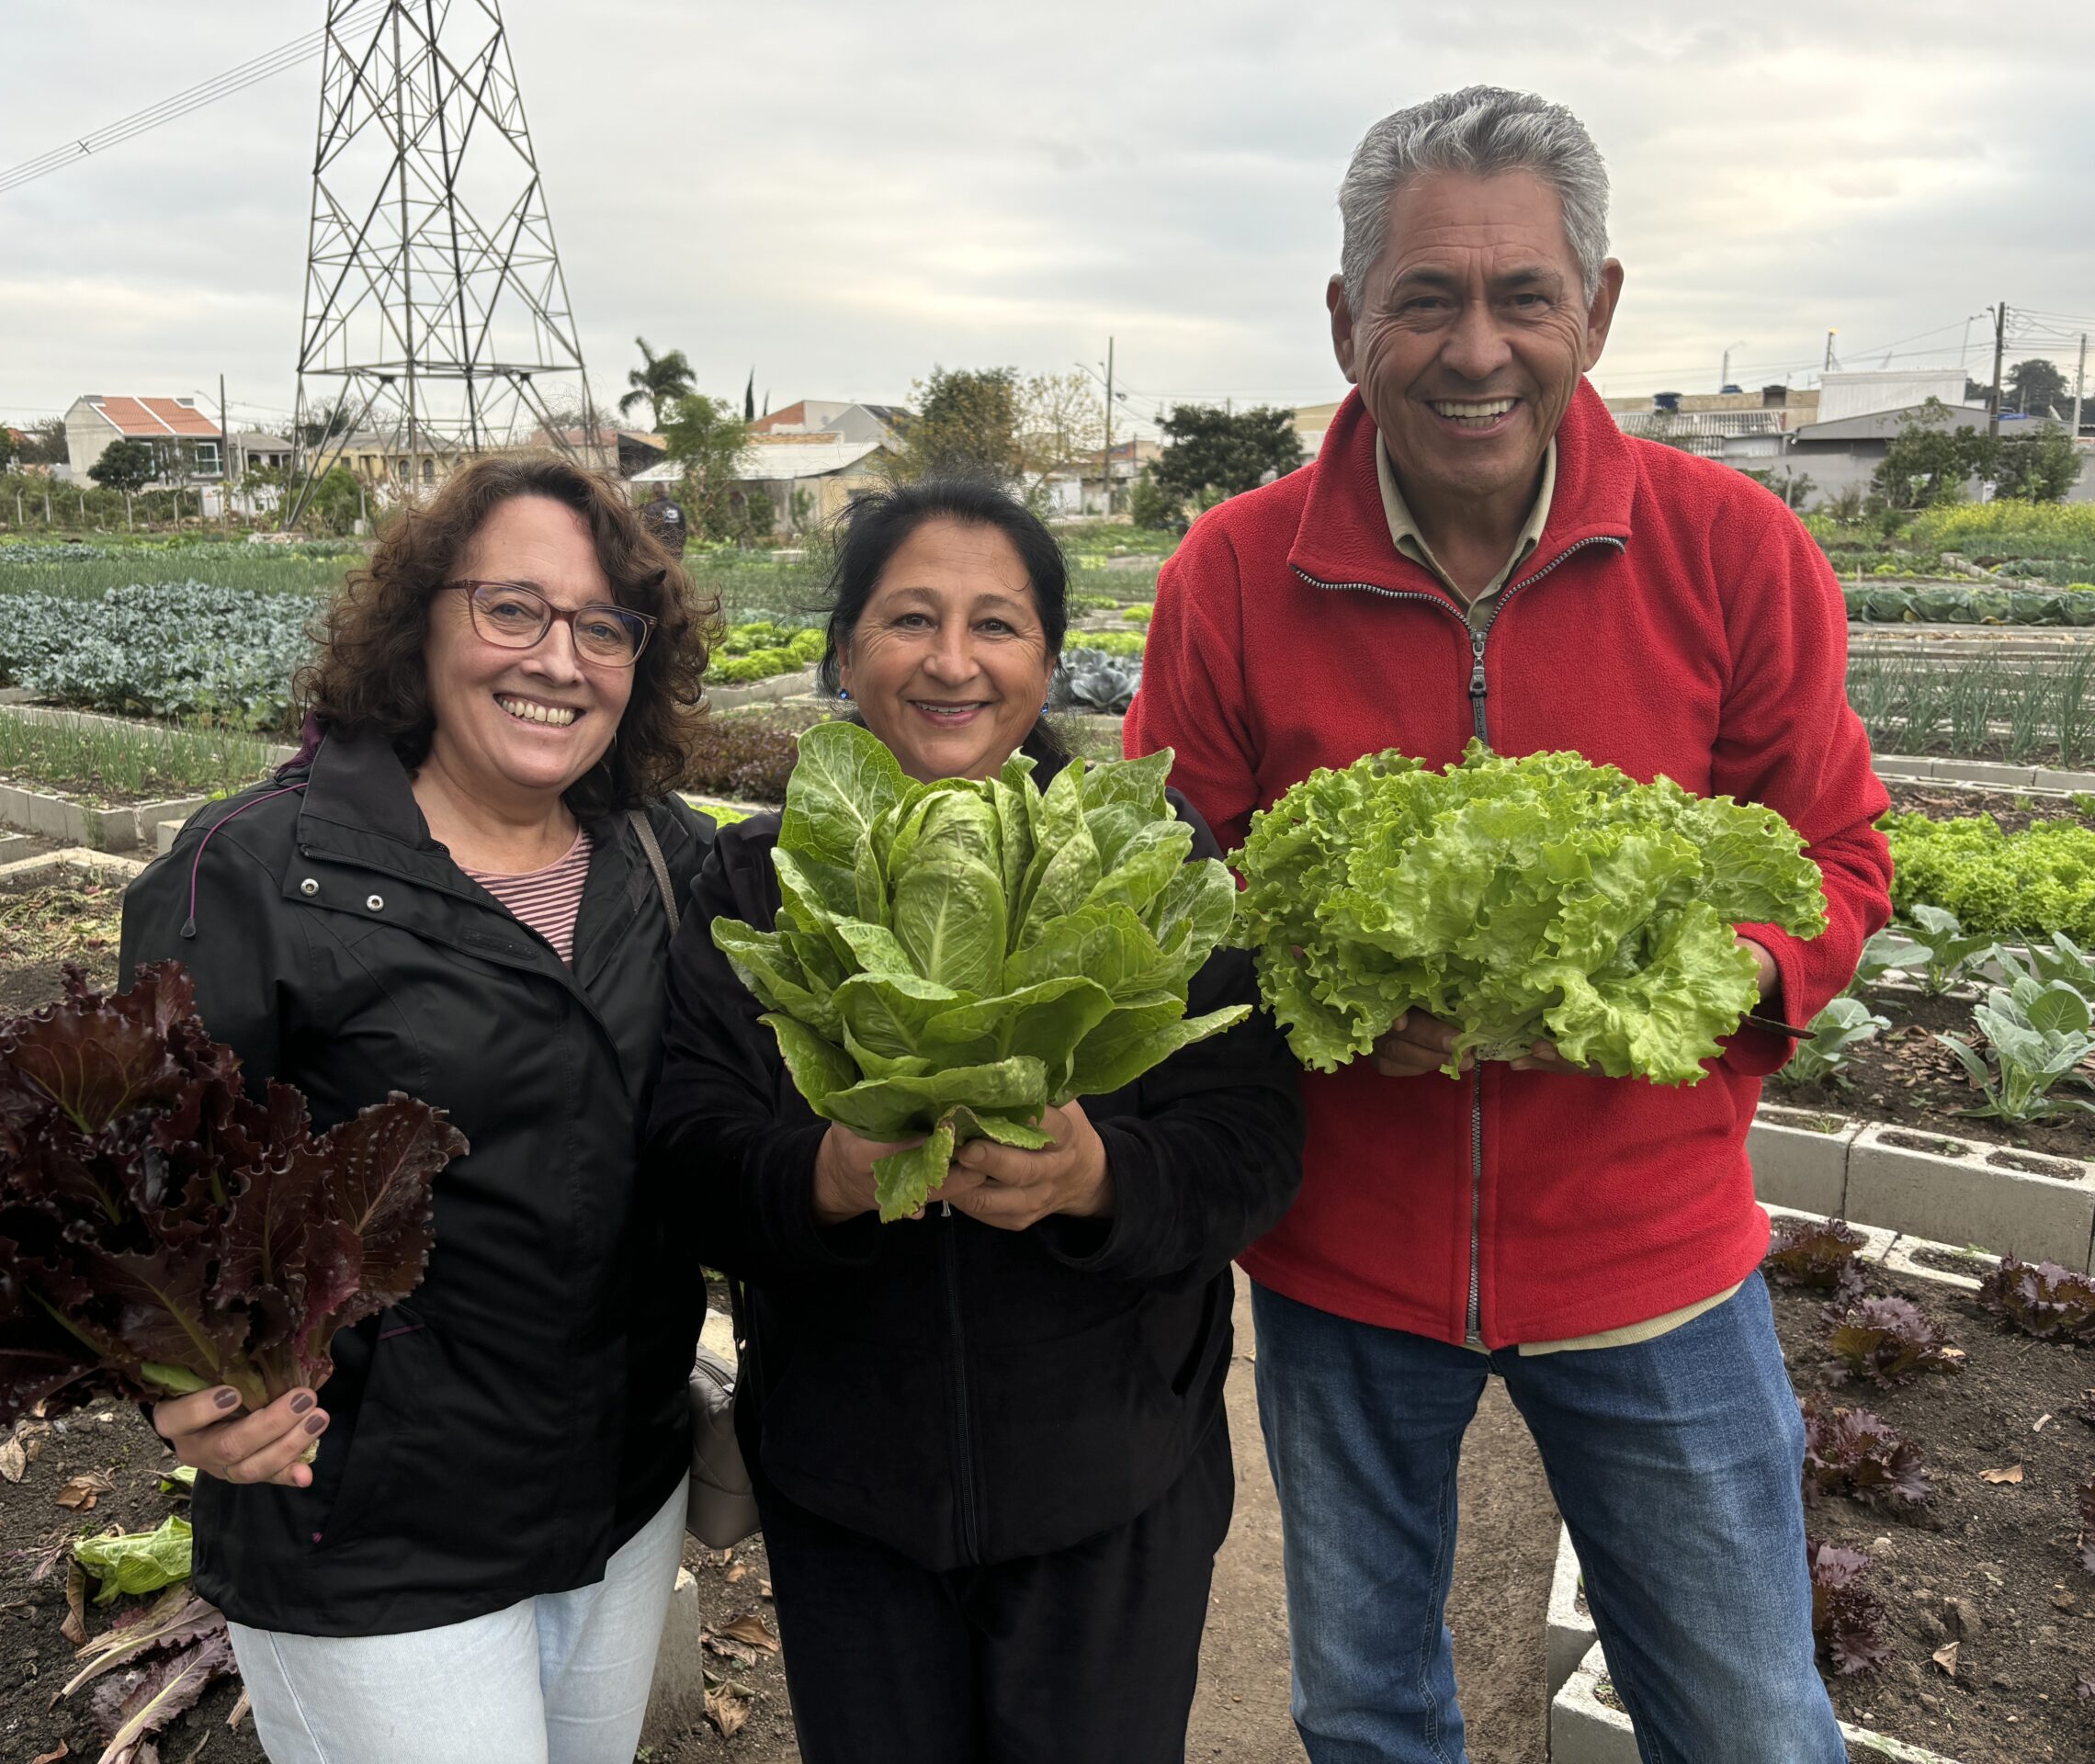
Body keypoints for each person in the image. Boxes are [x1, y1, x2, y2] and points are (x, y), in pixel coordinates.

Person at [1127, 87, 1891, 1763]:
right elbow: (1167, 885)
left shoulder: (1736, 553)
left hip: (1652, 1253)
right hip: (1345, 1264)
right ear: (1348, 324)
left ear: (1595, 308)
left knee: (1751, 1720)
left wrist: (1682, 978)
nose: (1477, 348)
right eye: (1424, 299)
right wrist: (1307, 979)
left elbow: (1834, 859)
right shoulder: (1234, 573)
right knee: (1371, 1715)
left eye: (1522, 296)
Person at [646, 478, 1306, 1764]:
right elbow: (686, 1149)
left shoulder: (1149, 855)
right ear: (846, 653)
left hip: (1113, 1493)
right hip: (850, 1501)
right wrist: (828, 1176)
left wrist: (1101, 1177)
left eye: (997, 624)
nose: (953, 661)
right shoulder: (754, 881)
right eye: (910, 620)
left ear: (1049, 658)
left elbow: (1252, 1144)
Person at [119, 455, 716, 1764]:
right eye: (513, 609)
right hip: (369, 1528)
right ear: (422, 621)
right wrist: (177, 1378)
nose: (557, 660)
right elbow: (139, 1188)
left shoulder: (665, 859)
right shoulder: (259, 875)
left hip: (616, 1499)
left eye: (603, 626)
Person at [641, 485, 687, 558]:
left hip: (659, 551)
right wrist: (680, 546)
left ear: (653, 493)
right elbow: (683, 528)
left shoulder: (652, 508)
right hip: (675, 549)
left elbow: (648, 531)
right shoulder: (676, 507)